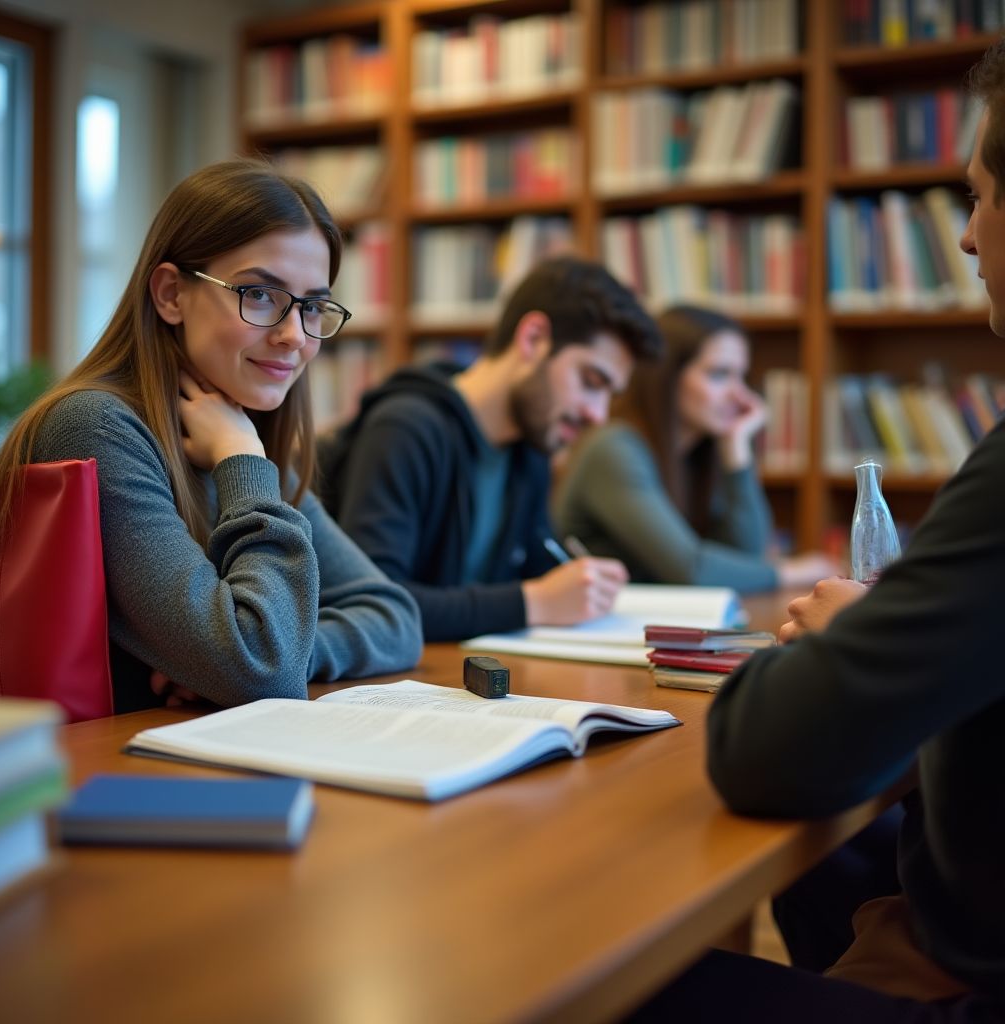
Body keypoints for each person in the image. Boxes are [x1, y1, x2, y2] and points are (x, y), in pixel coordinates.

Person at [626, 41, 1005, 1024]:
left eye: (977, 198)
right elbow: (697, 563)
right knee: (826, 855)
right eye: (716, 375)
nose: (966, 238)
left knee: (606, 982)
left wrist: (739, 461)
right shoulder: (617, 452)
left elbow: (762, 733)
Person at [0, 159, 422, 714]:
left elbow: (394, 616)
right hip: (96, 764)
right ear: (171, 294)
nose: (294, 335)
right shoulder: (98, 426)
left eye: (312, 306)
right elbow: (260, 667)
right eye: (259, 294)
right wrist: (242, 463)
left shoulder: (236, 435)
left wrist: (297, 651)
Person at [317, 255, 664, 642]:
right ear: (533, 339)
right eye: (591, 381)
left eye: (609, 395)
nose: (597, 415)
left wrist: (579, 586)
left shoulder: (530, 448)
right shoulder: (405, 429)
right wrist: (535, 602)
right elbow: (374, 606)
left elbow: (538, 572)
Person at [553, 304, 836, 592]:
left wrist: (736, 450)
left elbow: (747, 556)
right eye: (719, 374)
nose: (739, 396)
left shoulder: (698, 452)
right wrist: (789, 572)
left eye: (741, 376)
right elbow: (692, 570)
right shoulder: (613, 448)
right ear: (667, 377)